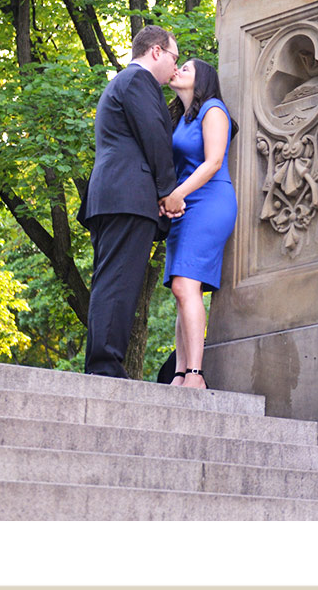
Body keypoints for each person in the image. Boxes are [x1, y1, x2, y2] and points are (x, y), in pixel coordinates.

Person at [80, 25, 182, 378]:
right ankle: (105, 367)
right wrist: (168, 192)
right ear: (156, 51)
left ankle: (102, 363)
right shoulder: (138, 81)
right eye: (174, 58)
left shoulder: (123, 83)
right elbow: (154, 136)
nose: (175, 67)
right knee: (118, 281)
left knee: (111, 280)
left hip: (113, 196)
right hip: (127, 197)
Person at [161, 58, 237, 389]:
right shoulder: (181, 119)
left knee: (185, 286)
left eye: (187, 69)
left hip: (209, 202)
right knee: (181, 289)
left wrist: (177, 194)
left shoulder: (213, 109)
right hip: (183, 206)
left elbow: (214, 161)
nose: (178, 70)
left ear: (202, 80)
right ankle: (180, 373)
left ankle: (195, 374)